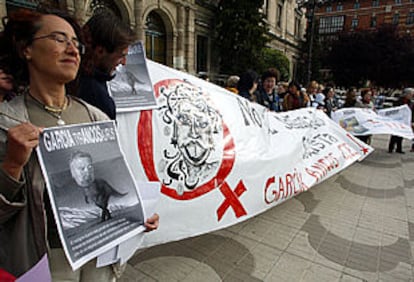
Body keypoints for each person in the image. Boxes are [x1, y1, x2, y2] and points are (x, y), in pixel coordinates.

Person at [0, 9, 158, 281]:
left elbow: (112, 185)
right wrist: (12, 166)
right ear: (26, 49)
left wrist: (134, 216)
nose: (72, 50)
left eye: (76, 43)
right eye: (59, 39)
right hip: (47, 262)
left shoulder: (95, 116)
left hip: (98, 257)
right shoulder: (7, 123)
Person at [78, 10, 137, 120]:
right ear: (100, 51)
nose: (124, 62)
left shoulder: (79, 77)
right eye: (121, 56)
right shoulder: (94, 93)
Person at [69, 151, 127, 222]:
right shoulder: (81, 186)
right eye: (82, 168)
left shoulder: (99, 182)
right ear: (73, 173)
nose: (87, 171)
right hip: (97, 198)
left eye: (90, 167)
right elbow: (87, 192)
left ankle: (104, 217)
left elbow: (106, 190)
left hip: (103, 193)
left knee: (103, 205)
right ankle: (106, 216)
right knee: (101, 205)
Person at [388, 88, 414, 154]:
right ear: (406, 94)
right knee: (394, 134)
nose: (412, 96)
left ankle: (399, 148)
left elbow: (412, 112)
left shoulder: (411, 103)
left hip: (404, 120)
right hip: (397, 119)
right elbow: (394, 110)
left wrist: (412, 120)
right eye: (411, 94)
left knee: (401, 134)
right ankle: (391, 148)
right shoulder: (398, 101)